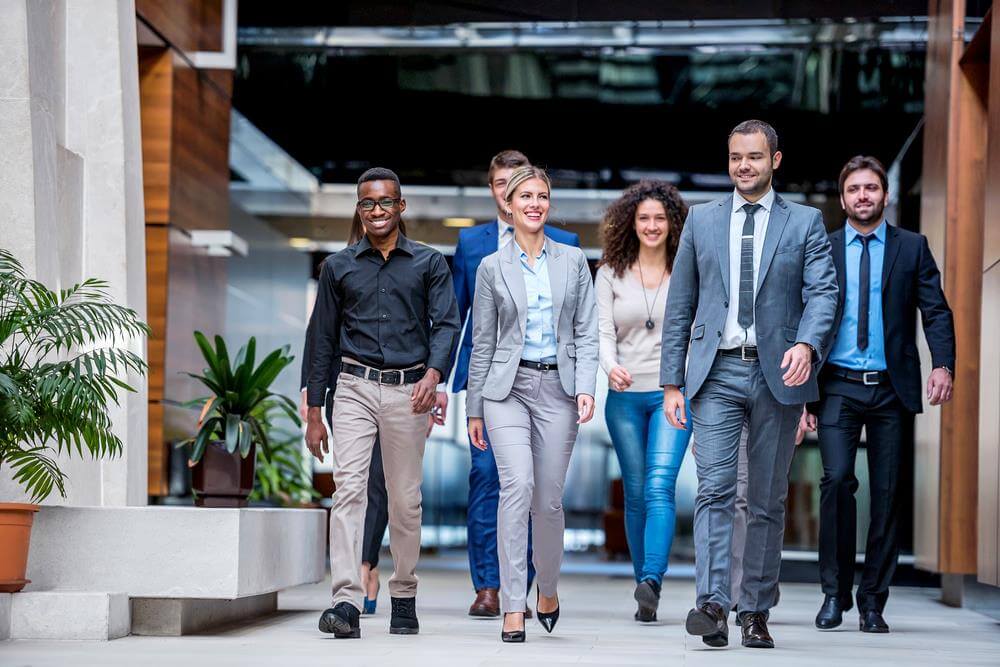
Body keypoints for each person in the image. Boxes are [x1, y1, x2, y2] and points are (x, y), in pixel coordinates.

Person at [660, 120, 838, 649]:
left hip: (778, 373)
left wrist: (806, 346)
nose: (744, 166)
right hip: (715, 372)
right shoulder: (701, 220)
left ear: (775, 161)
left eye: (755, 157)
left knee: (764, 499)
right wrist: (672, 381)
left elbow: (824, 295)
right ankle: (712, 604)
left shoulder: (804, 223)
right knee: (714, 490)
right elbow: (680, 307)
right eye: (736, 156)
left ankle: (756, 609)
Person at [305, 168, 460, 639]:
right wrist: (315, 410)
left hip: (408, 392)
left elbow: (448, 325)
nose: (377, 211)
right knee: (348, 490)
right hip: (352, 386)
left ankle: (405, 592)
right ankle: (346, 600)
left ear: (400, 207)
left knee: (405, 501)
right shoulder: (338, 267)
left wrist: (434, 376)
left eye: (385, 202)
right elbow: (322, 340)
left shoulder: (429, 264)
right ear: (359, 209)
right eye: (368, 203)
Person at [807, 155, 955, 633]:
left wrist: (943, 364)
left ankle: (873, 602)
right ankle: (834, 594)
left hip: (892, 388)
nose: (863, 196)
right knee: (836, 483)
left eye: (871, 188)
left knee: (887, 496)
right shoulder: (824, 249)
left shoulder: (912, 248)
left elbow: (935, 310)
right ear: (843, 196)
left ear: (885, 195)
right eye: (854, 189)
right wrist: (804, 399)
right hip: (837, 387)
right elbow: (804, 316)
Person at [466, 165, 598, 643]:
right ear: (508, 204)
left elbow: (586, 328)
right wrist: (474, 409)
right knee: (515, 487)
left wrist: (585, 385)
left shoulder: (573, 260)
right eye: (525, 196)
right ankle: (512, 604)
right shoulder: (489, 267)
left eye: (542, 196)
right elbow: (482, 343)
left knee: (548, 502)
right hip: (507, 391)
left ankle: (549, 588)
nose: (535, 203)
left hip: (559, 390)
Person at [596, 180, 691, 622]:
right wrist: (609, 365)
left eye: (660, 218)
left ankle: (652, 577)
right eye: (644, 218)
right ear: (631, 224)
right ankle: (643, 589)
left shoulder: (689, 267)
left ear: (673, 223)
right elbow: (600, 330)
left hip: (673, 395)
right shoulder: (611, 270)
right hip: (625, 397)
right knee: (635, 493)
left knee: (658, 485)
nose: (652, 225)